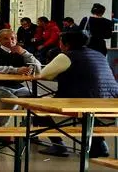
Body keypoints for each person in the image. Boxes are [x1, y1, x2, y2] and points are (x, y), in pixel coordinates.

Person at [30, 28, 116, 158]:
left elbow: (44, 74)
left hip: (81, 98)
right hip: (110, 98)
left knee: (37, 108)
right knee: (87, 113)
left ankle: (58, 145)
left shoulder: (66, 55)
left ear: (66, 44)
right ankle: (100, 145)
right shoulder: (98, 54)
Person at [0, 28, 41, 125]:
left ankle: (26, 127)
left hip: (16, 86)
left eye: (13, 38)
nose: (10, 41)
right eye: (5, 39)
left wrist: (25, 53)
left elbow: (38, 67)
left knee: (39, 101)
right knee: (13, 100)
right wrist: (16, 70)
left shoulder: (21, 52)